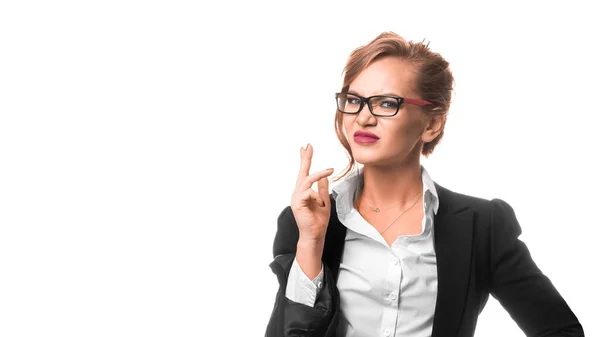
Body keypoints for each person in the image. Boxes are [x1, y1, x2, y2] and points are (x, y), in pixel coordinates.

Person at [265, 32, 584, 337]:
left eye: (387, 103)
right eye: (353, 100)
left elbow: (560, 329)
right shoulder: (305, 222)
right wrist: (310, 243)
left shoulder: (481, 226)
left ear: (432, 123)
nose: (363, 118)